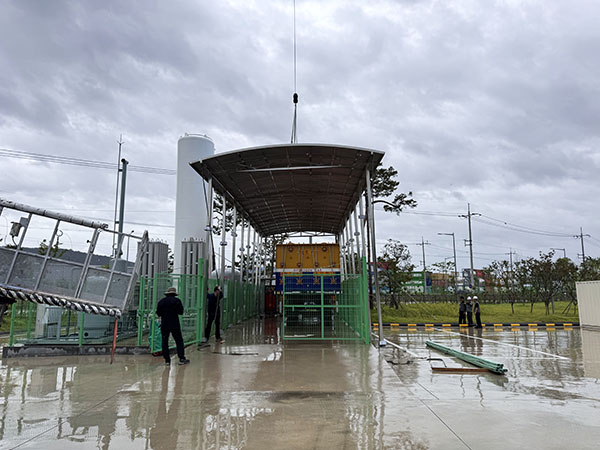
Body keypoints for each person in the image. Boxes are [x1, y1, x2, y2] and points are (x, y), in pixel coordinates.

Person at [156, 287, 190, 366]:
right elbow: (181, 312)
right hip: (175, 324)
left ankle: (167, 360)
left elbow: (158, 313)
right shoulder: (177, 301)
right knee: (179, 341)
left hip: (164, 324)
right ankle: (181, 358)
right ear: (174, 294)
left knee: (165, 342)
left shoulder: (161, 301)